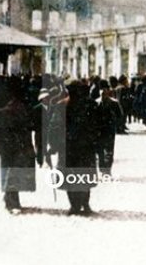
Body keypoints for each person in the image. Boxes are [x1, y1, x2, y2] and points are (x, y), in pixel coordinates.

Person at [0, 77, 37, 214]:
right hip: (16, 147)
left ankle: (11, 199)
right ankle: (11, 201)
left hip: (8, 147)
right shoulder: (22, 112)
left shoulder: (2, 112)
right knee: (13, 172)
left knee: (9, 172)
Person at [61, 81, 100, 216]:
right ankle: (84, 204)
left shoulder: (64, 104)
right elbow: (98, 126)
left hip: (70, 146)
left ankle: (74, 205)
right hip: (86, 147)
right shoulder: (91, 105)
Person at [94, 80, 122, 176]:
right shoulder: (95, 103)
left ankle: (108, 169)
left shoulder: (114, 103)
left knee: (109, 150)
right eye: (101, 89)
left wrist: (115, 124)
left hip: (109, 130)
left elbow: (120, 116)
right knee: (100, 151)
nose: (102, 91)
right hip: (98, 130)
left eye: (104, 89)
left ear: (108, 90)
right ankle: (102, 168)